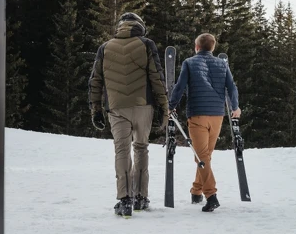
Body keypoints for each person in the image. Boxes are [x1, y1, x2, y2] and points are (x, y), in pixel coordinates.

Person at [89, 12, 169, 217]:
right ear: (140, 27)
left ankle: (124, 200)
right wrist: (163, 107)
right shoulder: (146, 44)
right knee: (141, 148)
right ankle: (141, 198)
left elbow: (95, 81)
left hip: (116, 108)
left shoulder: (105, 47)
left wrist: (96, 109)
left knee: (121, 151)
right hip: (144, 106)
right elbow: (157, 77)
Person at [169, 33, 241, 212]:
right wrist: (235, 107)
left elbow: (179, 87)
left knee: (201, 156)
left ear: (196, 47)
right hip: (217, 115)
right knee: (205, 155)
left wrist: (171, 106)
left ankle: (211, 195)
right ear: (213, 48)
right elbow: (231, 87)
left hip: (198, 114)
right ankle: (196, 190)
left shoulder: (189, 63)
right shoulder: (222, 64)